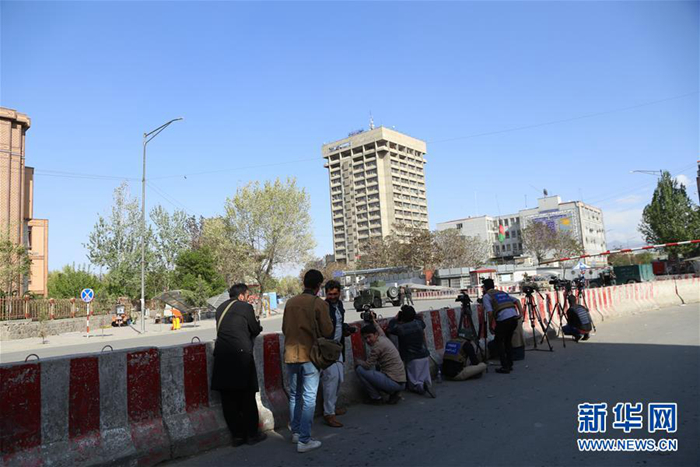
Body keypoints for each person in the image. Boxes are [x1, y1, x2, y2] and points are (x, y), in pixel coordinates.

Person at [282, 269, 334, 453]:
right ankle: (304, 440)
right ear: (318, 286)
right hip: (310, 356)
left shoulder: (290, 302)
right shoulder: (318, 303)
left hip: (291, 354)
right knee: (309, 397)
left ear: (304, 283)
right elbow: (328, 331)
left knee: (295, 395)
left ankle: (296, 432)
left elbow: (285, 328)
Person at [211, 283, 266, 447]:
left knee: (228, 399)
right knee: (247, 397)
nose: (248, 299)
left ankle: (237, 436)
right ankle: (252, 434)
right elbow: (254, 328)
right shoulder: (245, 307)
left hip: (222, 356)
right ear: (241, 296)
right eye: (247, 296)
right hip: (241, 356)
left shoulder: (220, 308)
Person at [321, 280, 355, 428]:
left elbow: (339, 323)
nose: (333, 297)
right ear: (326, 293)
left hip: (338, 347)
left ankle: (332, 407)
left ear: (339, 293)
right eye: (330, 294)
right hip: (327, 349)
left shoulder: (340, 305)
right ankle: (329, 413)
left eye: (335, 294)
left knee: (339, 378)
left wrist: (346, 329)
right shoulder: (323, 307)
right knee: (331, 379)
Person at [355, 320, 407, 405]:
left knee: (359, 370)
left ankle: (376, 398)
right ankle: (394, 393)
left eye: (369, 337)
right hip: (401, 381)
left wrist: (358, 361)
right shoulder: (383, 338)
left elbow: (367, 365)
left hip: (393, 382)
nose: (368, 340)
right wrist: (373, 321)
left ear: (376, 334)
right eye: (365, 338)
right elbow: (379, 329)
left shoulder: (377, 347)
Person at [387, 305, 435, 398]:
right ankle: (426, 384)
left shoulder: (401, 328)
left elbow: (390, 328)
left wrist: (395, 319)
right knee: (424, 375)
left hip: (412, 357)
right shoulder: (419, 324)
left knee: (414, 382)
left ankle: (421, 387)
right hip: (424, 355)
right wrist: (413, 315)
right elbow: (421, 321)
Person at [482, 278, 523, 374]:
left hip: (504, 320)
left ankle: (504, 366)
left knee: (498, 342)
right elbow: (517, 300)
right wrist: (520, 313)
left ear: (485, 288)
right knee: (508, 342)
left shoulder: (487, 296)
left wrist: (490, 326)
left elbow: (490, 313)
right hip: (514, 319)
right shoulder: (502, 293)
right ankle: (509, 364)